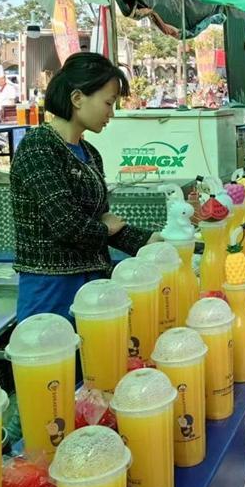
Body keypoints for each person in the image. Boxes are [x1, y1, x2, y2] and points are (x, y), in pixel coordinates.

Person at [10, 52, 159, 321]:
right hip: (52, 288)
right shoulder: (38, 147)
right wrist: (106, 227)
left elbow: (101, 223)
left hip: (93, 285)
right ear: (77, 98)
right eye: (108, 102)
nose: (111, 113)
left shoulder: (90, 153)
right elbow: (68, 225)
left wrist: (151, 242)